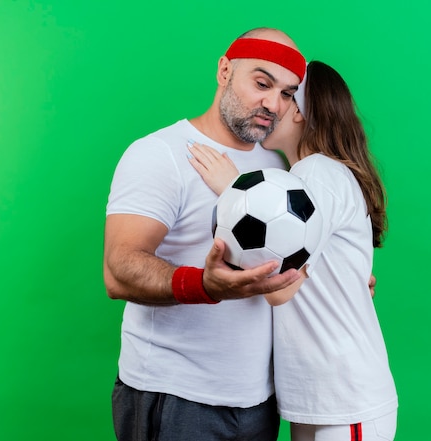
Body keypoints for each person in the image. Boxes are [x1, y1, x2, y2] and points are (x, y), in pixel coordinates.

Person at [103, 28, 308, 441]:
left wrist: (339, 279)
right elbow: (118, 270)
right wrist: (206, 285)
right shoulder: (160, 153)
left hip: (259, 400)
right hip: (174, 396)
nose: (273, 104)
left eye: (287, 93)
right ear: (225, 70)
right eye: (262, 83)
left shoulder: (278, 168)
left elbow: (281, 275)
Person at [187, 61, 398, 440]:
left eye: (286, 96)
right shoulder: (308, 176)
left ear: (299, 111)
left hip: (345, 398)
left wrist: (234, 189)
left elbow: (281, 287)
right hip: (320, 398)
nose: (272, 107)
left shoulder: (317, 173)